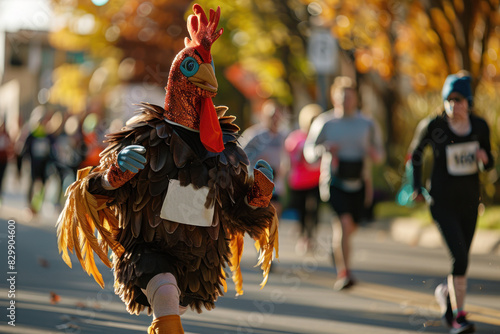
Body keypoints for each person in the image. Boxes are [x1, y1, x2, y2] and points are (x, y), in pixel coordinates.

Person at [409, 72, 493, 334]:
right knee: (459, 256)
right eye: (449, 100)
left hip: (470, 201)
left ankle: (446, 294)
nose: (453, 106)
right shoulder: (435, 126)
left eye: (458, 100)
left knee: (463, 259)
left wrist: (483, 157)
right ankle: (460, 316)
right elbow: (416, 155)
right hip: (442, 202)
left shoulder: (479, 126)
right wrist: (417, 188)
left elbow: (490, 160)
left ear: (468, 101)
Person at [304, 76, 385, 291]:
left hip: (359, 180)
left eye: (349, 97)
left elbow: (380, 155)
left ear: (355, 98)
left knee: (351, 227)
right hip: (334, 179)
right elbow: (309, 151)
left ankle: (338, 249)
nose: (345, 101)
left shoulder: (367, 123)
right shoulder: (325, 122)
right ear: (334, 98)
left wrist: (373, 153)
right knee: (344, 223)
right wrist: (324, 150)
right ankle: (345, 273)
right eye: (341, 97)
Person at [284, 103, 322, 254]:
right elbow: (289, 158)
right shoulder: (295, 138)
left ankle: (311, 238)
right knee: (301, 212)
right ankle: (303, 237)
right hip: (298, 182)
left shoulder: (320, 137)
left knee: (314, 211)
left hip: (316, 180)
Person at [240, 99, 288, 216]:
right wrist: (257, 157)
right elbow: (240, 153)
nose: (275, 119)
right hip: (258, 177)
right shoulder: (255, 134)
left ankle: (271, 234)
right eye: (272, 116)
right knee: (259, 212)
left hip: (275, 178)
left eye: (277, 116)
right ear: (265, 117)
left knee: (275, 211)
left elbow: (286, 154)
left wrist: (285, 168)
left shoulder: (283, 135)